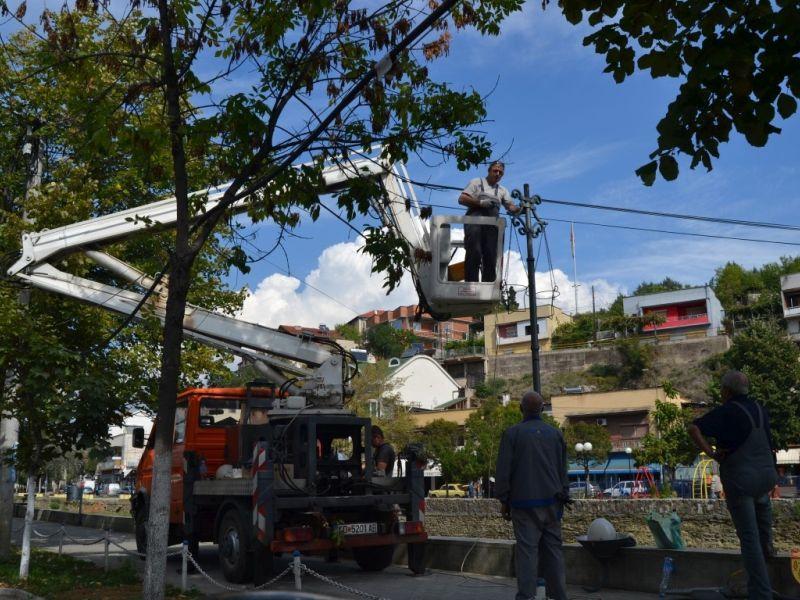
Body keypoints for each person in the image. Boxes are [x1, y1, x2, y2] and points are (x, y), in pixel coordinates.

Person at [688, 371, 777, 600]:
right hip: (766, 475)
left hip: (741, 478)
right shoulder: (760, 409)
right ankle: (768, 542)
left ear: (726, 391)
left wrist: (711, 453)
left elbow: (694, 428)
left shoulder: (727, 410)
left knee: (749, 539)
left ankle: (761, 593)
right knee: (762, 509)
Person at [495, 390, 569, 600]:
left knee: (527, 552)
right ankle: (558, 595)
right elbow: (563, 469)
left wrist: (503, 500)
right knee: (554, 551)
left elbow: (503, 471)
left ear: (521, 409)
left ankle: (527, 596)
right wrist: (564, 493)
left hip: (524, 503)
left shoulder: (512, 434)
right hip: (553, 503)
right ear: (543, 409)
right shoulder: (556, 434)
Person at [458, 161, 520, 283]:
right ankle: (471, 284)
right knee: (474, 251)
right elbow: (462, 198)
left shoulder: (502, 190)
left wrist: (521, 208)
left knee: (491, 254)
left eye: (500, 172)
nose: (498, 174)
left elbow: (510, 206)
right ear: (489, 170)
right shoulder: (476, 183)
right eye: (495, 171)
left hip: (491, 226)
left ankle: (489, 285)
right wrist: (480, 202)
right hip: (474, 222)